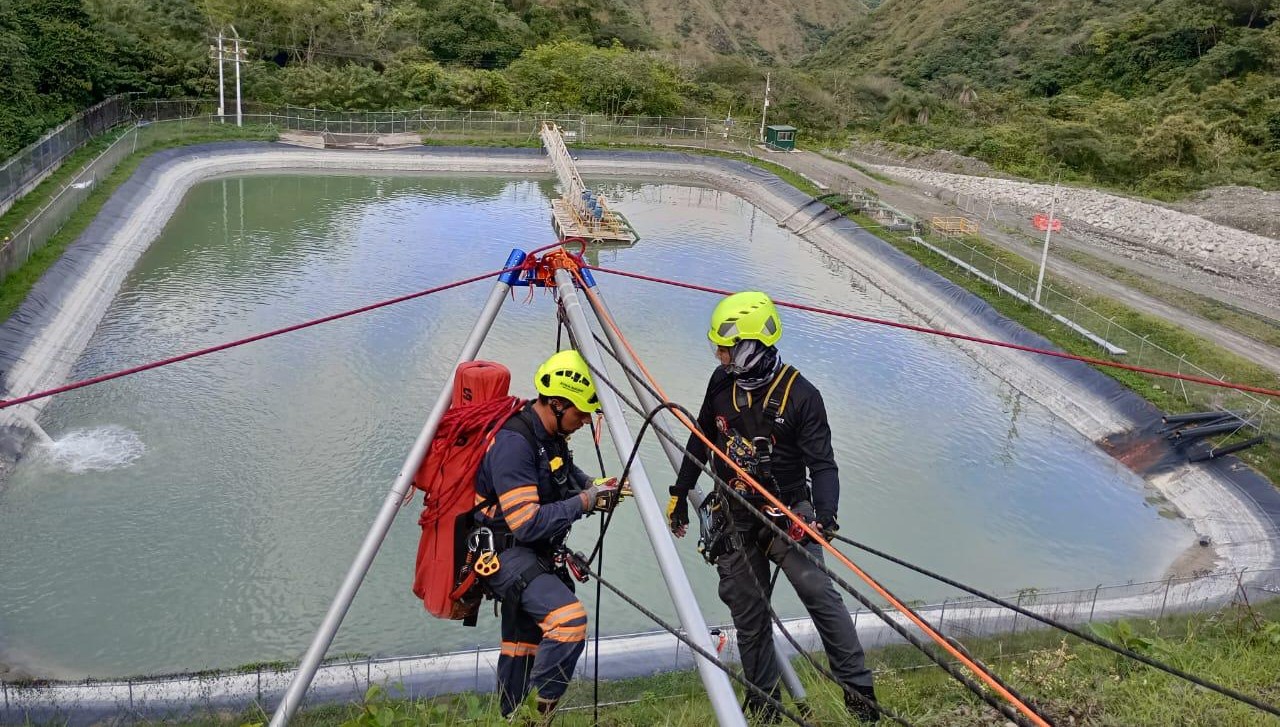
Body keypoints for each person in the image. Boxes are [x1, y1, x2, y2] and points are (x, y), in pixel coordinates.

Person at [666, 291, 879, 723]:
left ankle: (860, 696)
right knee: (749, 614)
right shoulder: (721, 383)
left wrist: (824, 517)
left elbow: (822, 465)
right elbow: (702, 438)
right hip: (735, 516)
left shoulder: (802, 397)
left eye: (726, 348)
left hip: (789, 514)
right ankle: (765, 710)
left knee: (818, 591)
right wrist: (680, 493)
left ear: (749, 347)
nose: (721, 355)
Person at [474, 349, 623, 722]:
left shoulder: (549, 435)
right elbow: (525, 523)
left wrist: (595, 487)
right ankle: (532, 720)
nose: (585, 420)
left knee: (523, 645)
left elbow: (562, 473)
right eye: (579, 412)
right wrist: (585, 502)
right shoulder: (514, 443)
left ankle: (510, 717)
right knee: (568, 622)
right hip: (506, 550)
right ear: (556, 403)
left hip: (530, 550)